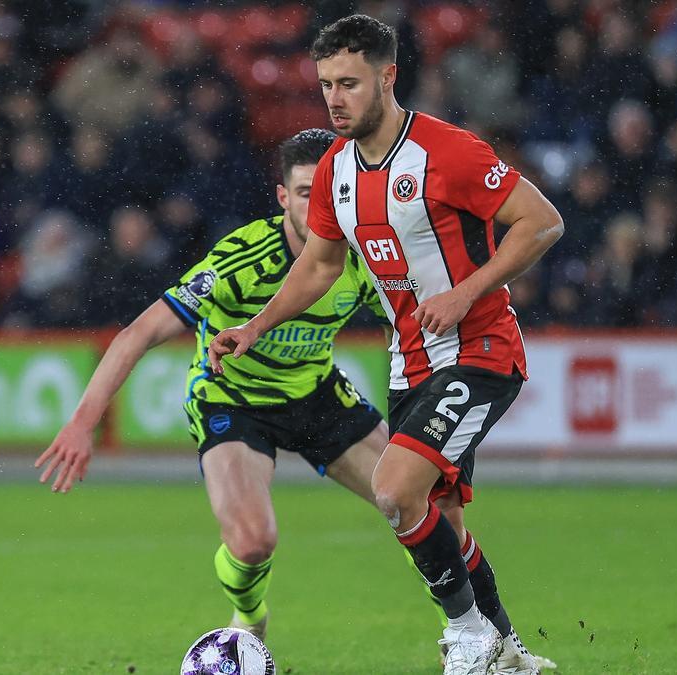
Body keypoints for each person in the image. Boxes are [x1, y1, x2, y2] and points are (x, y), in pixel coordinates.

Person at [208, 16, 564, 675]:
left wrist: (468, 290)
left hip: (480, 350)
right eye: (324, 86)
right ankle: (507, 652)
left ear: (388, 77)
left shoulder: (447, 152)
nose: (334, 99)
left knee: (396, 490)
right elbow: (316, 267)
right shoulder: (338, 171)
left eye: (348, 83)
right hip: (411, 364)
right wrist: (254, 328)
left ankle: (466, 640)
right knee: (445, 521)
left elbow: (542, 222)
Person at [36, 129, 389, 640]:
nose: (321, 206)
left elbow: (402, 329)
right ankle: (249, 617)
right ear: (283, 197)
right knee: (251, 544)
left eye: (333, 190)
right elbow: (140, 333)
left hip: (317, 395)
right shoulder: (242, 259)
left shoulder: (365, 256)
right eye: (308, 192)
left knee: (422, 503)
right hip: (233, 399)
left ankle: (473, 641)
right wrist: (82, 423)